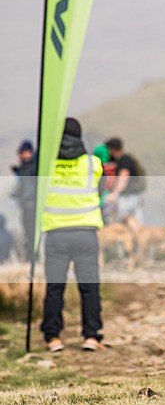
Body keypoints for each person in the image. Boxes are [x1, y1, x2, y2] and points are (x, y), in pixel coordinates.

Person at [41, 117, 105, 352]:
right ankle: (91, 336)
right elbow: (100, 191)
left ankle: (52, 337)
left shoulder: (46, 164)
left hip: (56, 233)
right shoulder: (93, 164)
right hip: (85, 232)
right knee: (89, 287)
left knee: (54, 286)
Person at [104, 137, 144, 222]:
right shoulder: (125, 159)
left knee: (123, 224)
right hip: (134, 196)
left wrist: (115, 193)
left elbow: (124, 176)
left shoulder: (124, 160)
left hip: (127, 198)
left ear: (112, 149)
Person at [10, 139, 36, 262]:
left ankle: (33, 258)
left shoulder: (33, 168)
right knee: (27, 234)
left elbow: (30, 188)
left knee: (32, 234)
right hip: (25, 206)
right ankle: (29, 258)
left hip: (33, 206)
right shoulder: (22, 169)